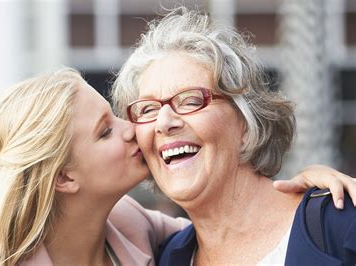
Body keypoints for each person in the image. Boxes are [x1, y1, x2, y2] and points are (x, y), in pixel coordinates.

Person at [0, 67, 355, 264]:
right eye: (105, 131)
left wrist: (305, 194)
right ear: (64, 177)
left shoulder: (133, 227)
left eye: (118, 116)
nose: (135, 130)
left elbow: (224, 220)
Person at [112, 7, 356, 265]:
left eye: (191, 101)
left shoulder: (341, 225)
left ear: (246, 122)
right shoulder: (166, 258)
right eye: (148, 109)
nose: (164, 122)